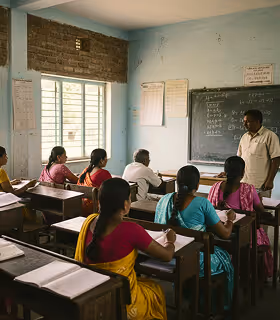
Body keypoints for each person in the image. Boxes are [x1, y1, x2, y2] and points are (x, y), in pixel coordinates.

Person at [75, 178, 175, 320]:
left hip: (92, 293)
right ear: (126, 205)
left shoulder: (89, 221)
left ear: (99, 202)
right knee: (155, 289)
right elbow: (166, 256)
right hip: (122, 302)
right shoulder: (132, 230)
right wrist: (170, 240)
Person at [154, 165, 234, 310]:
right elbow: (225, 234)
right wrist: (230, 220)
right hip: (197, 259)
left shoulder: (164, 200)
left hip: (171, 253)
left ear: (177, 183)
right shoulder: (202, 203)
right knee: (225, 257)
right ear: (197, 185)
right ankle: (214, 304)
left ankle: (189, 293)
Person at [208, 156, 273, 278]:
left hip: (218, 235)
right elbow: (261, 211)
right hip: (244, 238)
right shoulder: (248, 189)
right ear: (243, 172)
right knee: (262, 235)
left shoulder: (215, 187)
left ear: (225, 171)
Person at [219, 110, 280, 198]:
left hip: (260, 184)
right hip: (242, 182)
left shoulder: (270, 136)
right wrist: (227, 172)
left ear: (257, 121)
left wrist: (270, 180)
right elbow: (238, 160)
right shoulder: (244, 137)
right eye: (244, 122)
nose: (244, 124)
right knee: (244, 209)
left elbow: (276, 159)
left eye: (248, 122)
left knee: (261, 209)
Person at [78, 149, 111, 215]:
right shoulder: (104, 173)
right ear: (101, 160)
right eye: (106, 158)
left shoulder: (86, 171)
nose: (107, 160)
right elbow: (111, 189)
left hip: (82, 205)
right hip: (96, 206)